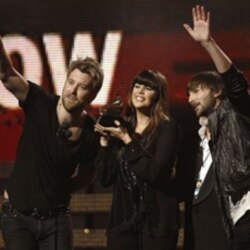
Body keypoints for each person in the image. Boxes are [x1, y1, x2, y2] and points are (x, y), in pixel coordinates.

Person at [0, 35, 103, 250]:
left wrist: (57, 191)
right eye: (71, 82)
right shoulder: (39, 102)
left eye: (82, 87)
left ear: (92, 95)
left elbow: (87, 174)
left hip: (56, 220)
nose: (72, 91)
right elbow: (6, 73)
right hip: (17, 217)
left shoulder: (91, 133)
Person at [180, 5, 250, 250]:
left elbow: (237, 85)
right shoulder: (200, 136)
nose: (190, 99)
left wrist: (208, 43)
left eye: (197, 91)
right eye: (188, 94)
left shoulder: (236, 114)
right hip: (219, 226)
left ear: (218, 91)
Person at [94, 69, 181, 250]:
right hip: (123, 222)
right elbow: (105, 178)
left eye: (148, 88)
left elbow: (154, 173)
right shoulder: (122, 126)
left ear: (158, 95)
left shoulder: (167, 128)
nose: (140, 92)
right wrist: (104, 143)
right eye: (137, 86)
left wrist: (127, 140)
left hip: (157, 224)